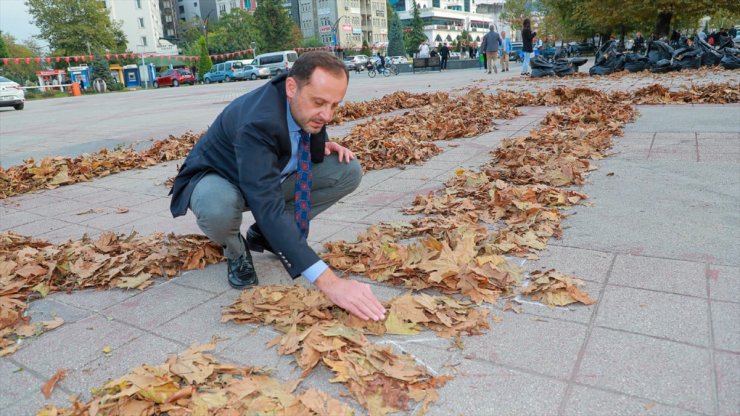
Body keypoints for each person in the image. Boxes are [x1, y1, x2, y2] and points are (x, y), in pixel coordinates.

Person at [169, 52, 386, 322]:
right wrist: (331, 283)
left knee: (347, 171)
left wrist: (323, 145)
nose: (327, 115)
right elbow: (268, 206)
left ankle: (265, 236)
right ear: (292, 87)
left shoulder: (304, 105)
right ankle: (236, 250)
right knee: (218, 208)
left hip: (265, 177)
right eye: (319, 102)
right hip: (220, 178)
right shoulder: (258, 122)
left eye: (334, 105)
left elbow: (314, 127)